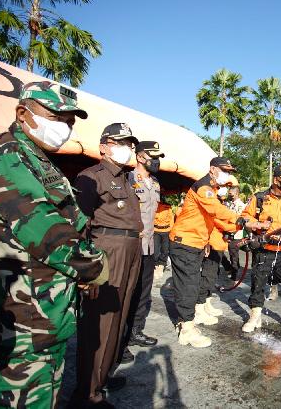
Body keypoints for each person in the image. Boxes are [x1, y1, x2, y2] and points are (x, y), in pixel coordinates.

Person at [0, 81, 108, 408]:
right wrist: (92, 267)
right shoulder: (6, 154)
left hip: (46, 309)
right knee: (24, 395)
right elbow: (43, 227)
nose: (65, 127)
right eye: (57, 117)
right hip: (24, 312)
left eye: (70, 121)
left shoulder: (38, 159)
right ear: (23, 113)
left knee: (41, 389)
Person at [72, 122, 143, 406]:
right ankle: (88, 393)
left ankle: (102, 375)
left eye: (130, 144)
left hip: (130, 249)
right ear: (104, 147)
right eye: (121, 143)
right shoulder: (91, 177)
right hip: (107, 250)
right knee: (99, 322)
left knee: (120, 313)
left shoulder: (127, 179)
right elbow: (79, 225)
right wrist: (84, 270)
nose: (128, 149)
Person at [170, 157, 256, 347]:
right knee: (188, 286)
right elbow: (216, 210)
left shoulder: (212, 190)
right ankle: (186, 330)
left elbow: (213, 220)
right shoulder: (203, 188)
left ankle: (188, 322)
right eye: (224, 170)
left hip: (195, 243)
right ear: (212, 169)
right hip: (184, 242)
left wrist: (238, 225)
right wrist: (241, 220)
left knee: (191, 284)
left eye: (230, 172)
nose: (228, 175)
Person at [241, 165, 281, 336]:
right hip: (263, 250)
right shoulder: (259, 198)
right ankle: (254, 316)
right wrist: (259, 226)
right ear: (276, 180)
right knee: (258, 284)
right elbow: (246, 216)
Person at [120, 141, 164, 358]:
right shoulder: (126, 179)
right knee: (126, 292)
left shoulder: (155, 183)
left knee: (143, 293)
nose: (155, 160)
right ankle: (120, 341)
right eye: (151, 156)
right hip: (131, 245)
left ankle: (135, 332)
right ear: (139, 156)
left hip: (149, 246)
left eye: (158, 156)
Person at [195, 187, 240, 326]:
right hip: (212, 243)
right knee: (207, 276)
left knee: (213, 275)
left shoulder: (220, 203)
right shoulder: (212, 202)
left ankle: (206, 303)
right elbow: (218, 222)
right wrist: (237, 225)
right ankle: (199, 308)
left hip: (219, 244)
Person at [225, 177, 247, 285]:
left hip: (238, 233)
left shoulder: (241, 206)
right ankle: (234, 272)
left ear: (237, 194)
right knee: (231, 253)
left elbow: (241, 221)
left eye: (232, 194)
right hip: (229, 232)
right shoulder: (229, 204)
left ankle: (235, 276)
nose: (230, 196)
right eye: (229, 194)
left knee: (234, 255)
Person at [154, 197, 175, 273]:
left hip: (166, 231)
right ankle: (155, 263)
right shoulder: (154, 206)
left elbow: (171, 219)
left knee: (165, 249)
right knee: (155, 249)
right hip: (156, 231)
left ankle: (162, 263)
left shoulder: (168, 207)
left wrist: (171, 231)